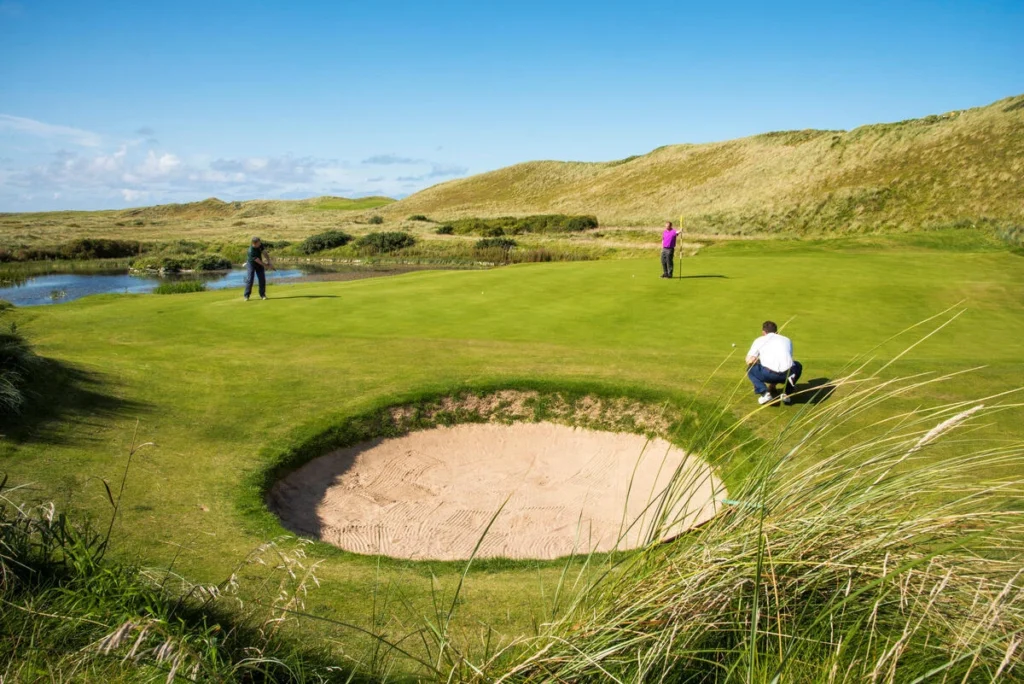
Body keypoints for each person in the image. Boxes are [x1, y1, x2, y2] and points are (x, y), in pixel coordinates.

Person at [745, 320, 803, 405]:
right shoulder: (787, 340)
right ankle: (786, 394)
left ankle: (765, 393)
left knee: (751, 368)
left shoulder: (759, 340)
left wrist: (758, 361)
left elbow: (749, 360)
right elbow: (787, 360)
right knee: (797, 365)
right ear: (777, 332)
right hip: (788, 375)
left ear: (763, 332)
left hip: (769, 375)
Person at [243, 236, 272, 301]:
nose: (260, 244)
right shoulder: (250, 251)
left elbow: (264, 253)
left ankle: (262, 295)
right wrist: (266, 265)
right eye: (259, 243)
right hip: (251, 264)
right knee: (250, 279)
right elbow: (258, 260)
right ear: (254, 243)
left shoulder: (260, 245)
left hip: (259, 264)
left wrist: (269, 262)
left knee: (262, 279)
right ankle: (246, 296)